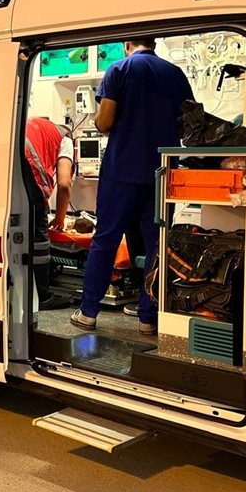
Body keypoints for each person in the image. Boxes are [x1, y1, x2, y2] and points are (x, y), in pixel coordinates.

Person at [70, 39, 194, 335]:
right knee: (156, 246)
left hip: (122, 170)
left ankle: (88, 313)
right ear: (153, 43)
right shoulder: (175, 74)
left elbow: (104, 122)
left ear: (127, 44)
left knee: (106, 241)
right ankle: (148, 318)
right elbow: (186, 125)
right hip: (162, 173)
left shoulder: (118, 69)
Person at [23, 117, 75, 310]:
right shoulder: (65, 139)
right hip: (29, 168)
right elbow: (64, 184)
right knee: (39, 238)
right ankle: (42, 296)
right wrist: (60, 218)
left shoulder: (35, 125)